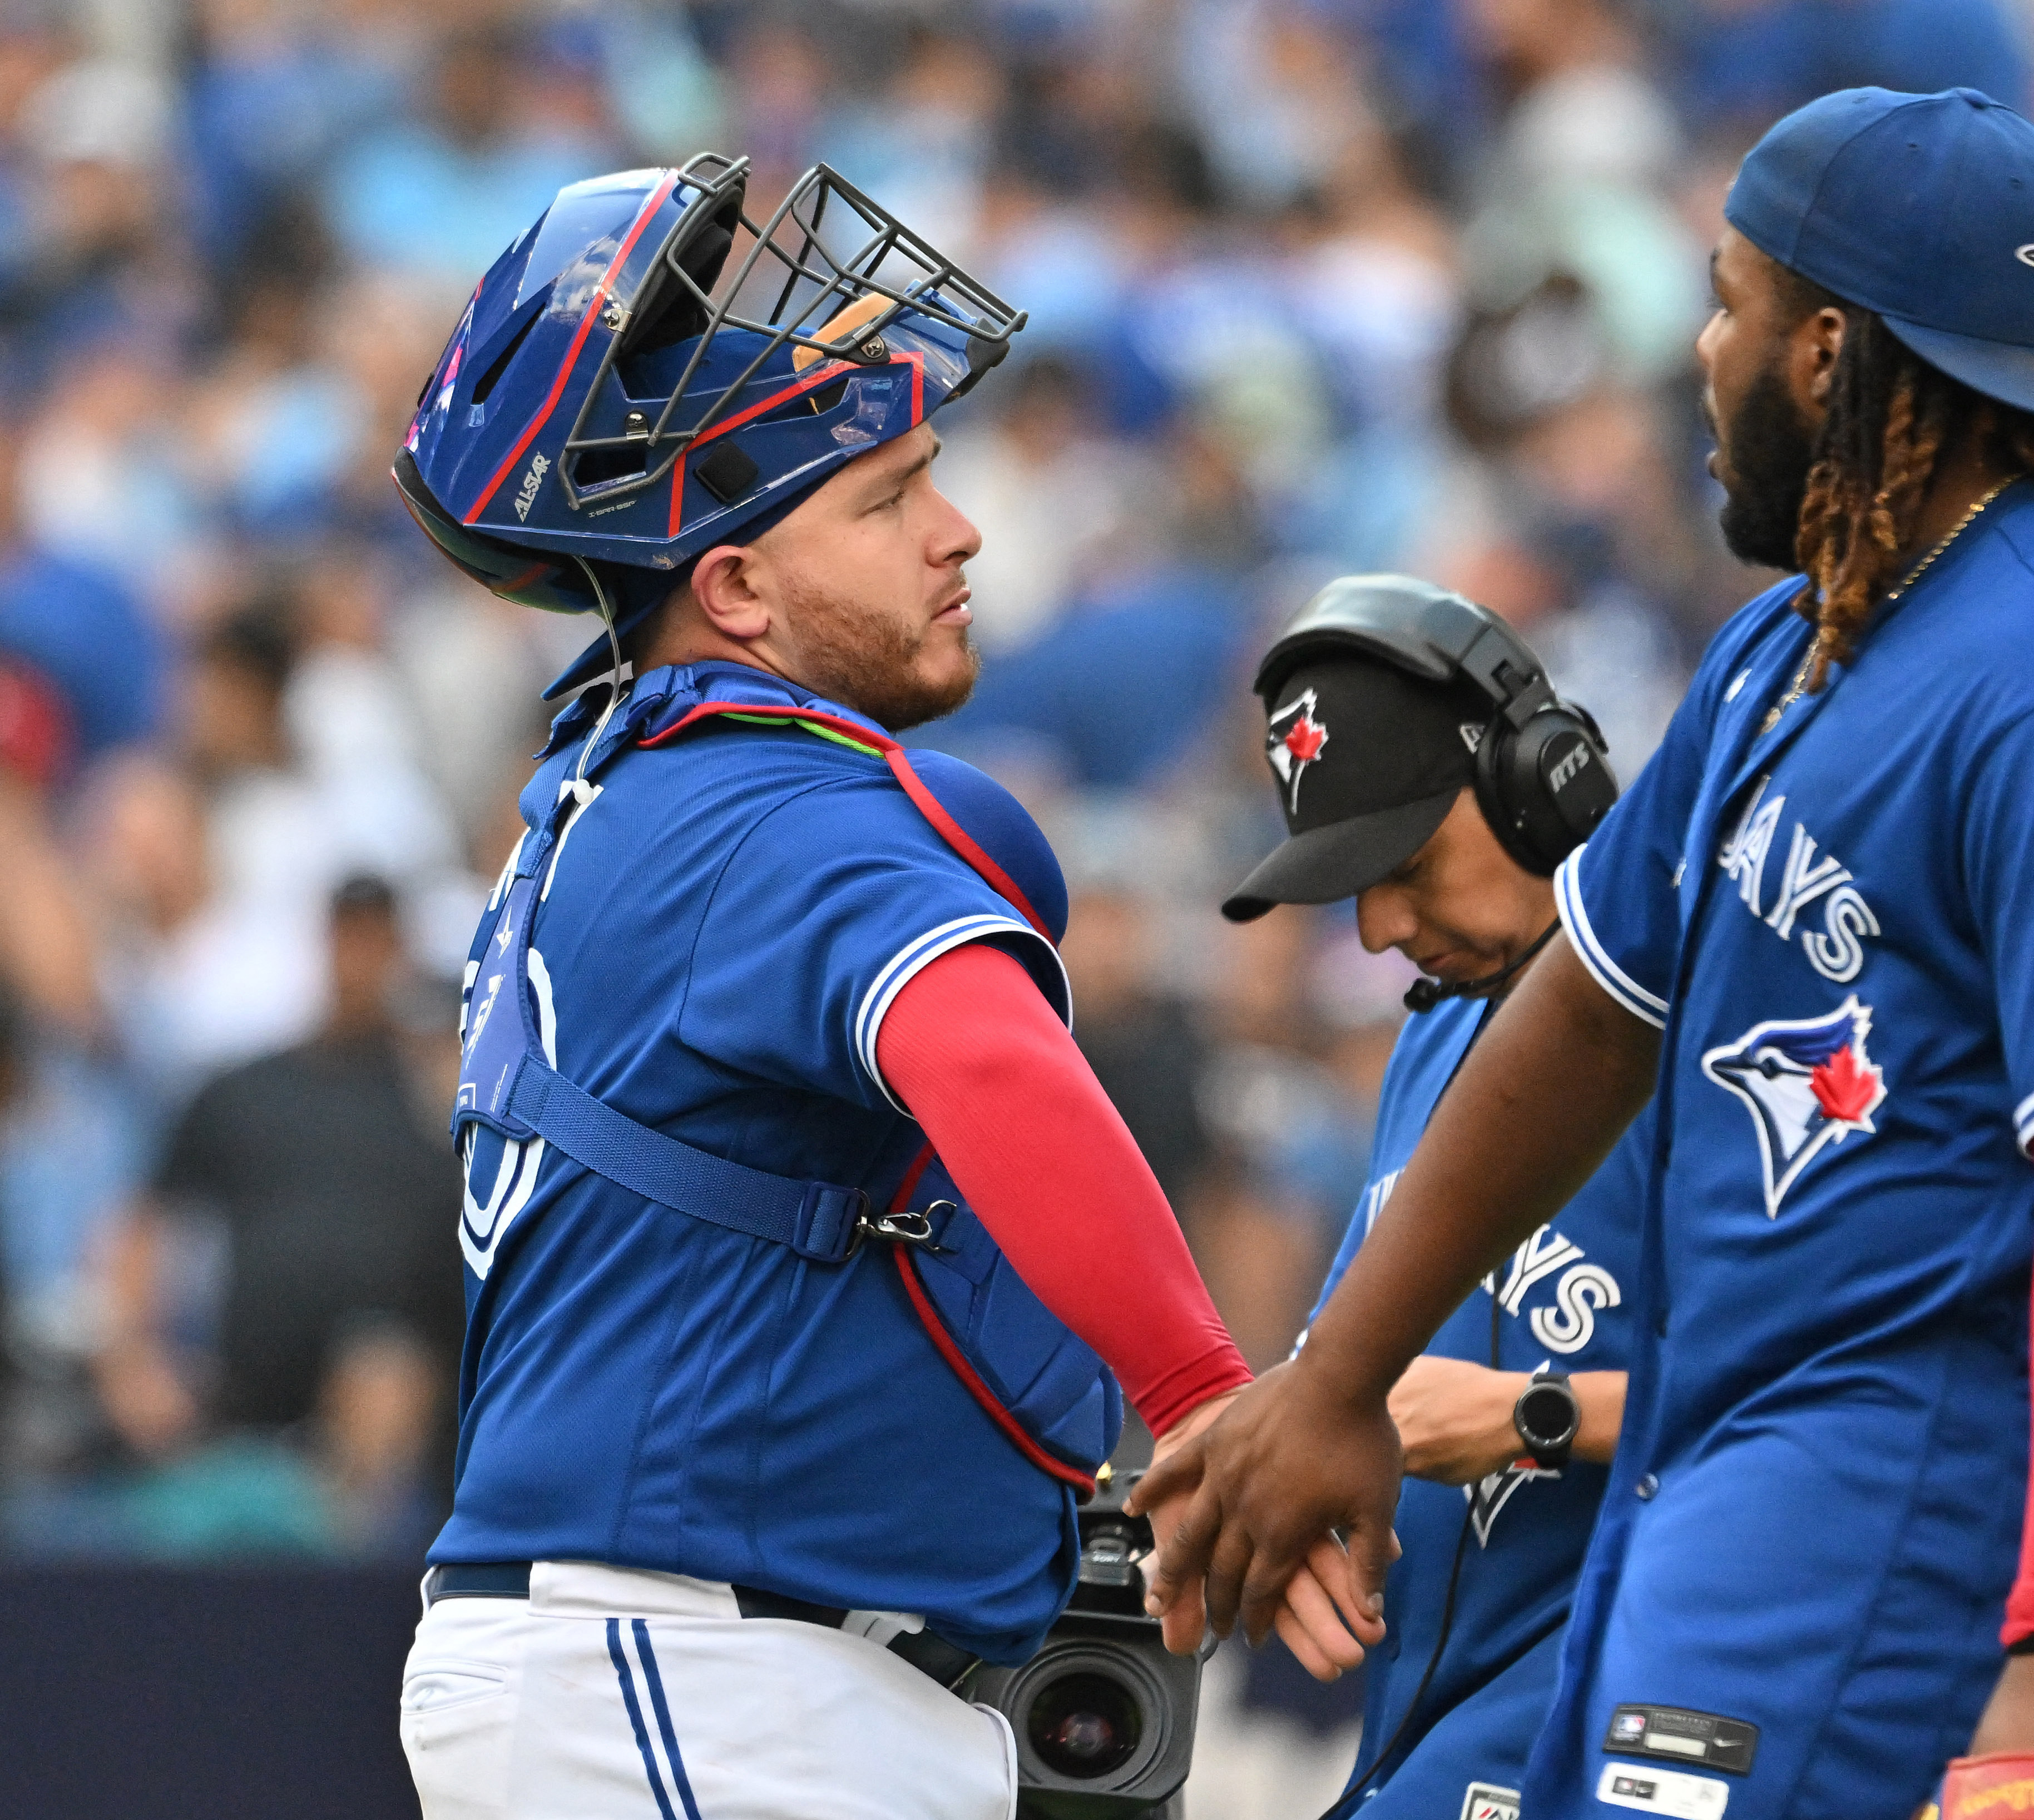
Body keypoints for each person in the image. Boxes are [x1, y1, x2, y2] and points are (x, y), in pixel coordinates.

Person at [1137, 87, 2034, 1820]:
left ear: (1828, 350)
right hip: (1763, 1467)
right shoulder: (1794, 647)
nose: (1699, 349)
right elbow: (1589, 1017)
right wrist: (1335, 1380)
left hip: (1959, 1499)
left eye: (1727, 298)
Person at [387, 155, 1367, 1818]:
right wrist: (1216, 1402)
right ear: (738, 588)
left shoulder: (640, 788)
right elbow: (994, 1069)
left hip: (702, 1667)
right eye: (885, 494)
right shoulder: (764, 806)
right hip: (699, 1670)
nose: (957, 524)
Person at [1220, 573, 1642, 1818]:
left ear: (1539, 786)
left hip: (1627, 1723)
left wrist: (1540, 1414)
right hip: (1421, 1735)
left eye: (1405, 861)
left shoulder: (1711, 1031)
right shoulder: (1431, 1039)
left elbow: (1849, 1396)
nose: (1375, 928)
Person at [95, 872, 463, 1557]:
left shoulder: (435, 1108)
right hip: (236, 1406)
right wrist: (132, 1357)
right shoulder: (248, 1089)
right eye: (348, 936)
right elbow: (146, 1219)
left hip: (386, 1430)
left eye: (378, 940)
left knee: (386, 1367)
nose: (361, 958)